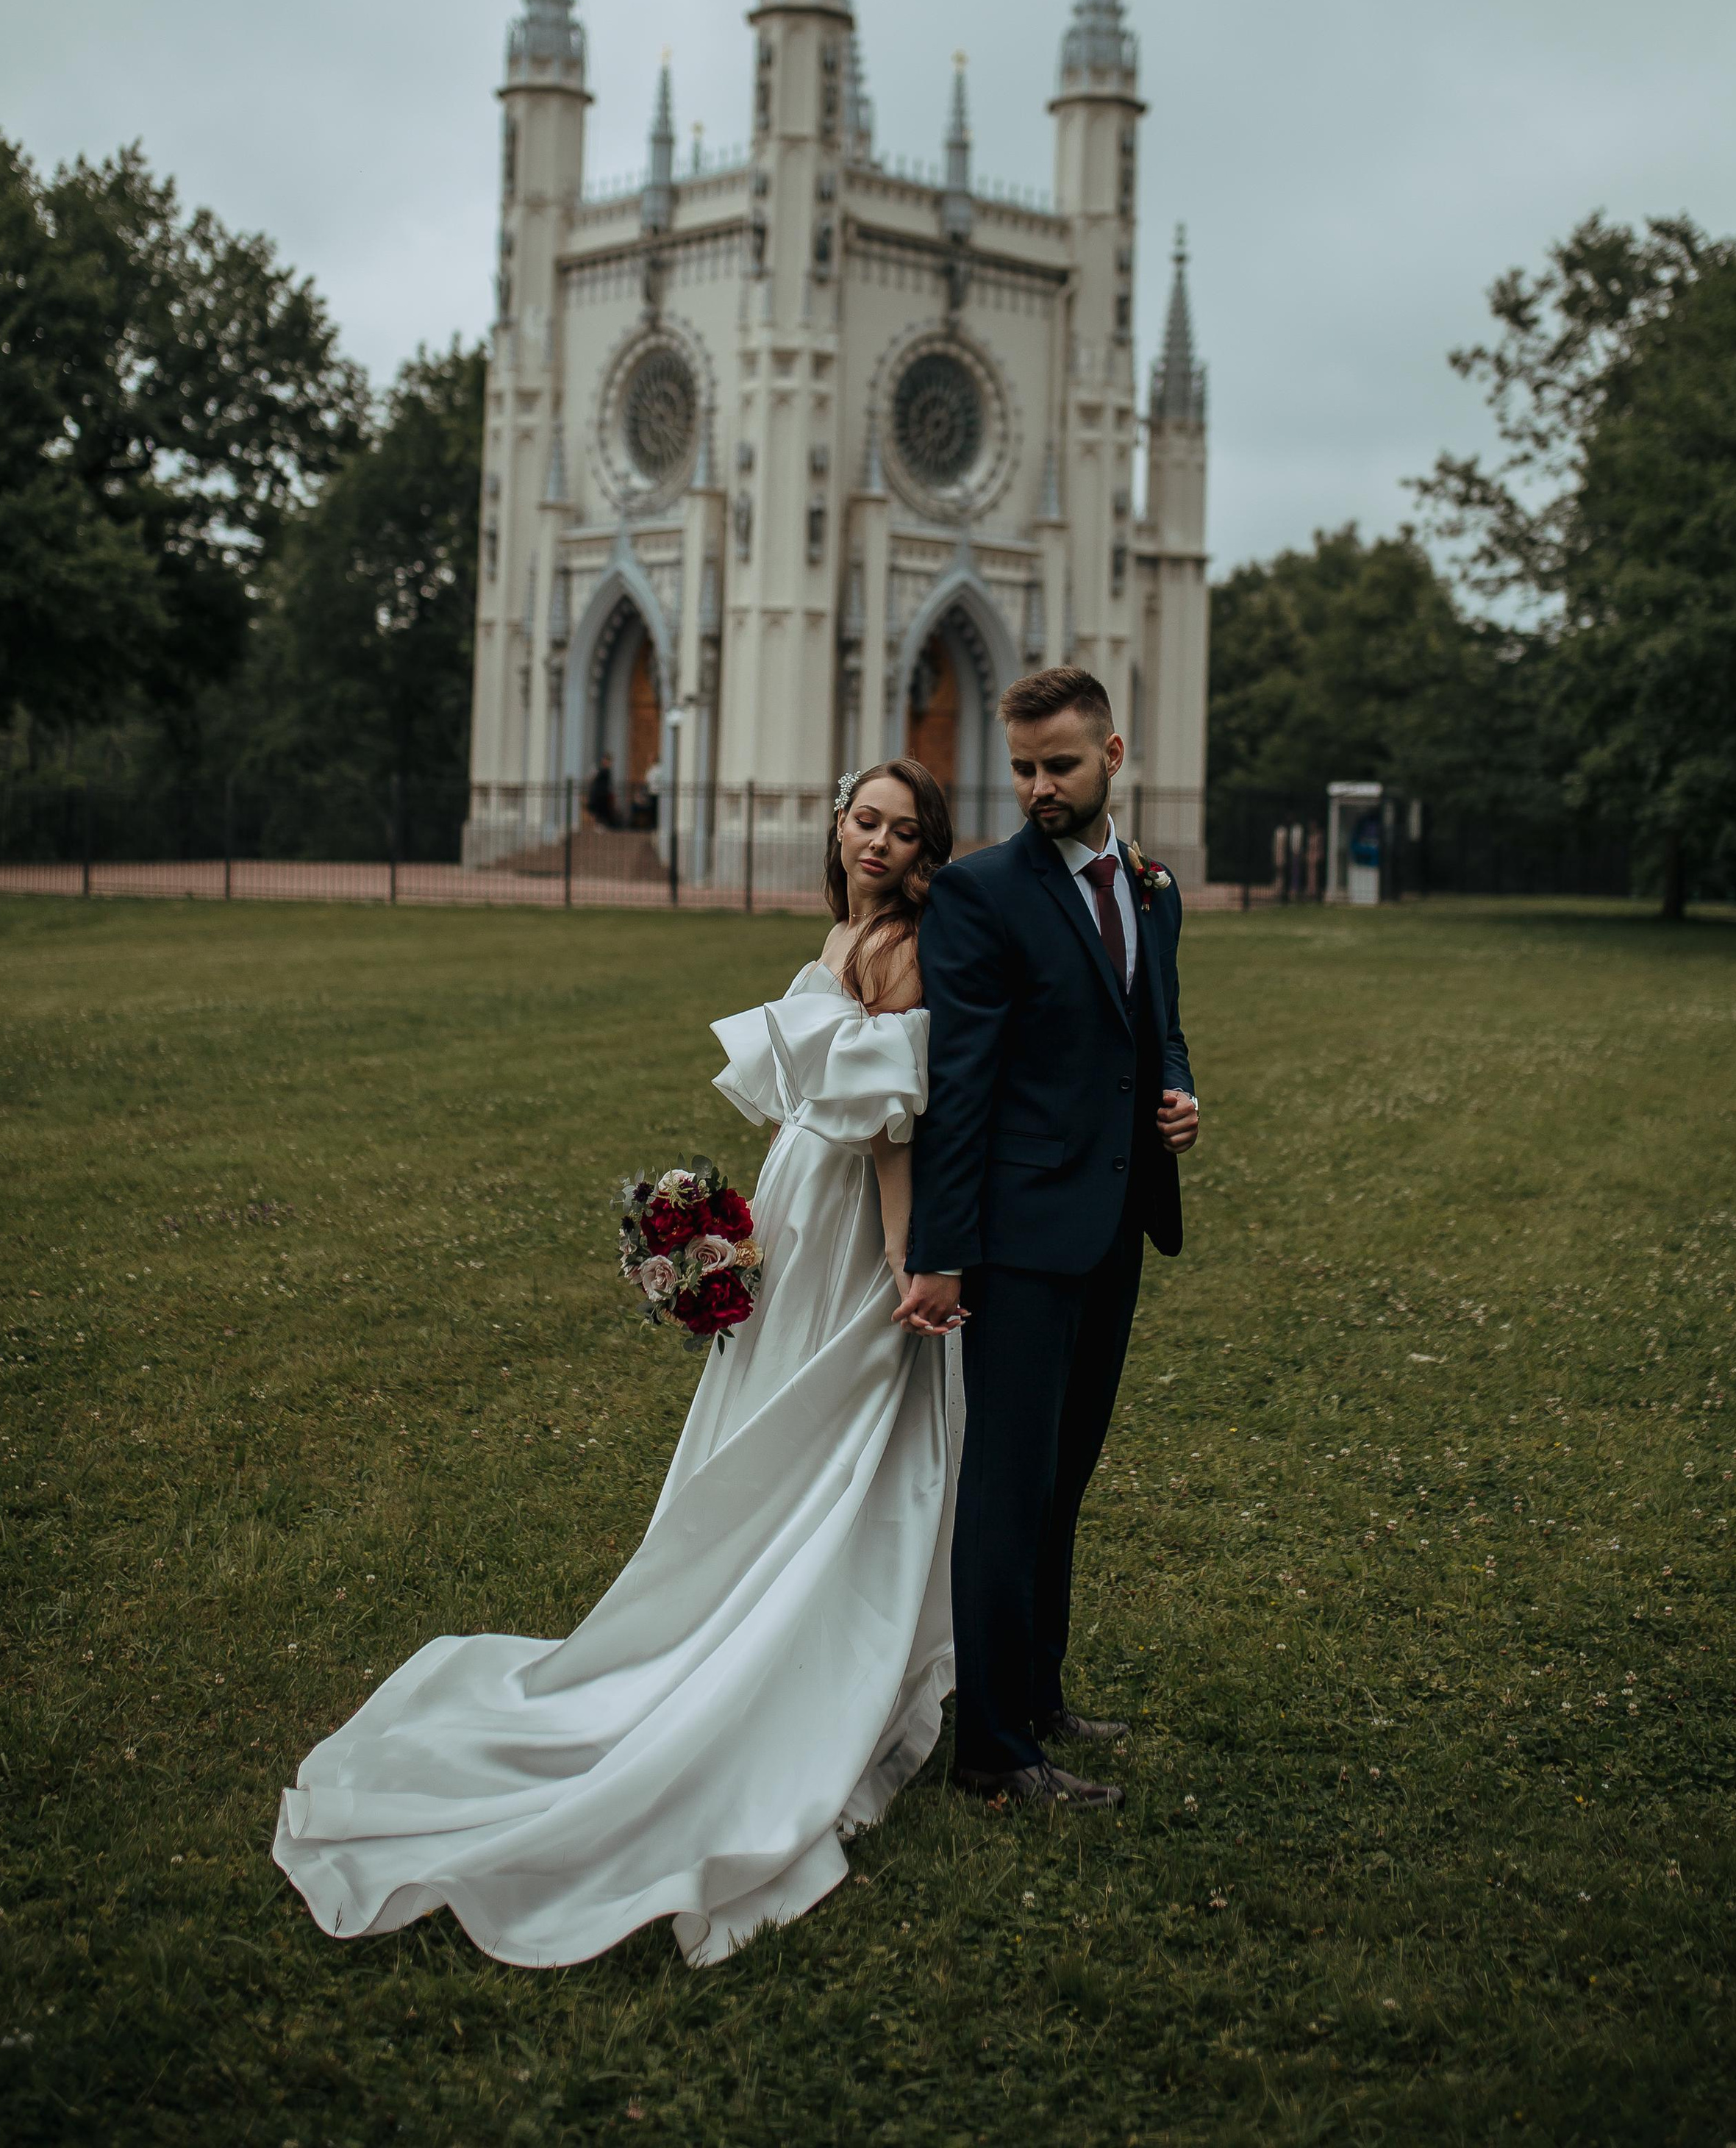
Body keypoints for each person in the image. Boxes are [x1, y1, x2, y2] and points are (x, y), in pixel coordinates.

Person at [272, 761, 960, 1968]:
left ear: (926, 853)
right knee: (792, 1425)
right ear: (839, 827)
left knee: (829, 1429)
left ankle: (799, 1630)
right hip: (808, 1208)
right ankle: (765, 1616)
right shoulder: (848, 932)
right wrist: (728, 1224)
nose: (879, 844)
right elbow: (816, 1105)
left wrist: (910, 1257)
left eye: (903, 832)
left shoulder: (900, 949)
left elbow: (892, 1123)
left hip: (858, 1227)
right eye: (865, 820)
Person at [901, 666, 1198, 1809]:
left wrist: (1177, 1092)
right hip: (1019, 1240)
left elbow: (1157, 1032)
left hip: (1117, 1223)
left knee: (1067, 1477)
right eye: (1022, 767)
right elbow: (961, 1090)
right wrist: (941, 1253)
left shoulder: (1153, 886)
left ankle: (1040, 1692)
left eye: (1059, 765)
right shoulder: (978, 896)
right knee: (1009, 1486)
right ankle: (993, 1751)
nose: (1036, 787)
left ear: (1113, 757)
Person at [585, 752, 618, 828]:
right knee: (596, 810)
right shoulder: (601, 770)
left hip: (603, 794)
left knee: (602, 811)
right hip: (598, 794)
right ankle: (597, 825)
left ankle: (602, 825)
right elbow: (591, 779)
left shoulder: (606, 771)